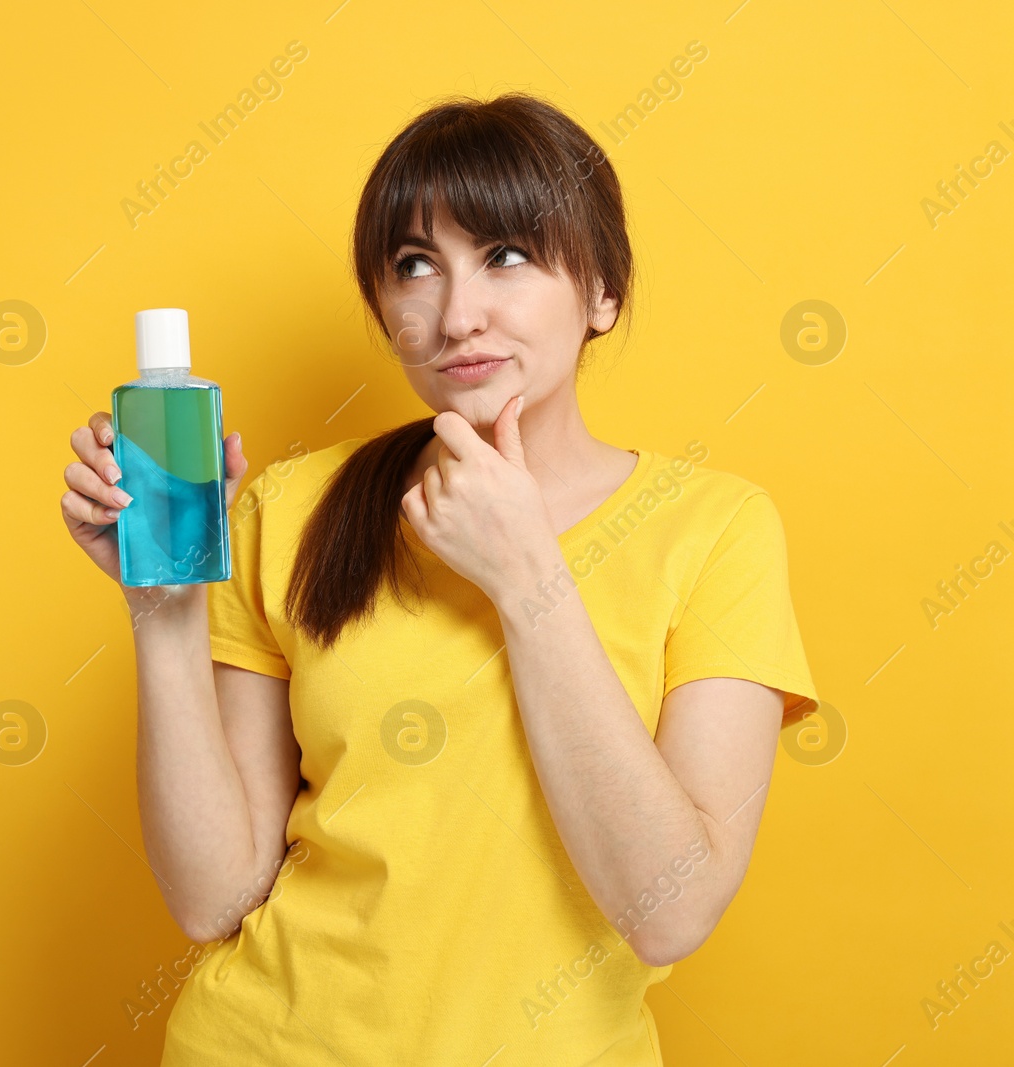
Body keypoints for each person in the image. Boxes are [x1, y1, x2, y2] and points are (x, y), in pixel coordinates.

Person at [60, 92, 819, 1066]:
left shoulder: (716, 529)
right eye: (415, 265)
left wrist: (525, 574)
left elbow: (666, 910)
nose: (457, 315)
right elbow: (212, 895)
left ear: (603, 294)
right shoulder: (289, 508)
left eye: (505, 255)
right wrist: (162, 613)